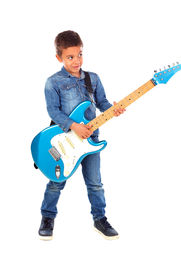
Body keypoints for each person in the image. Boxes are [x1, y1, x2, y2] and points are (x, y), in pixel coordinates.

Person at [38, 30, 125, 240]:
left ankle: (100, 219)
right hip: (65, 141)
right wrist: (74, 126)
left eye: (79, 55)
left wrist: (113, 109)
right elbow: (53, 111)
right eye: (70, 57)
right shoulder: (53, 82)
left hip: (91, 140)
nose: (76, 60)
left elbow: (101, 102)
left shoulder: (93, 78)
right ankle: (47, 217)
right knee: (56, 182)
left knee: (95, 183)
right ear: (59, 57)